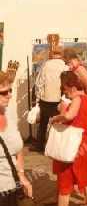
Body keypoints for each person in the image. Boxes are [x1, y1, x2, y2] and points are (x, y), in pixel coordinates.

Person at [49, 71, 87, 206]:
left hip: (75, 146)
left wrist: (55, 118)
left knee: (65, 184)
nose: (65, 94)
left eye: (65, 90)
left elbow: (68, 116)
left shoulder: (77, 99)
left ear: (73, 87)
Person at [0, 71, 33, 204]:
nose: (10, 95)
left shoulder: (11, 113)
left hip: (12, 186)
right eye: (3, 92)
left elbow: (17, 149)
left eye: (10, 90)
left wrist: (21, 174)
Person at [30, 48, 67, 152]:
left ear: (52, 54)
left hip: (46, 99)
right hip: (59, 99)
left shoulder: (46, 65)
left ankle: (39, 145)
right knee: (57, 124)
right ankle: (55, 147)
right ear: (61, 54)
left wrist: (39, 96)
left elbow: (39, 82)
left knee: (43, 123)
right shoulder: (64, 65)